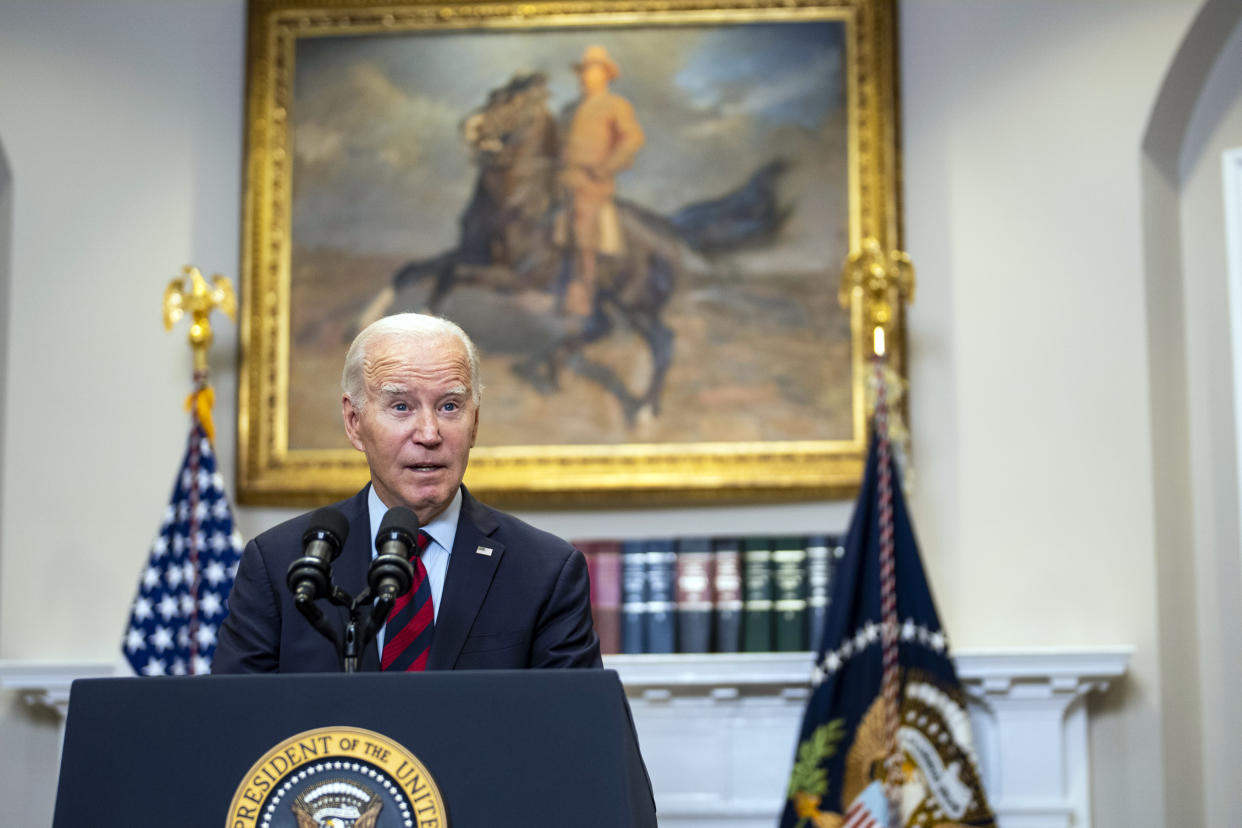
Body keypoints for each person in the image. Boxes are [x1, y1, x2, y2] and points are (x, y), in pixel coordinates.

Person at [212, 313, 602, 672]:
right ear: (354, 422)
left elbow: (573, 734)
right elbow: (237, 726)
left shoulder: (546, 571)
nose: (429, 434)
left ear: (475, 423)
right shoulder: (280, 563)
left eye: (450, 406)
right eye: (401, 406)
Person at [557, 44, 645, 317]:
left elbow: (633, 138)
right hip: (562, 179)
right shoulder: (569, 109)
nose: (586, 76)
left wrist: (607, 167)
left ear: (605, 75)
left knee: (583, 225)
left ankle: (585, 294)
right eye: (584, 71)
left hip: (592, 182)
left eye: (593, 71)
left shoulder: (615, 105)